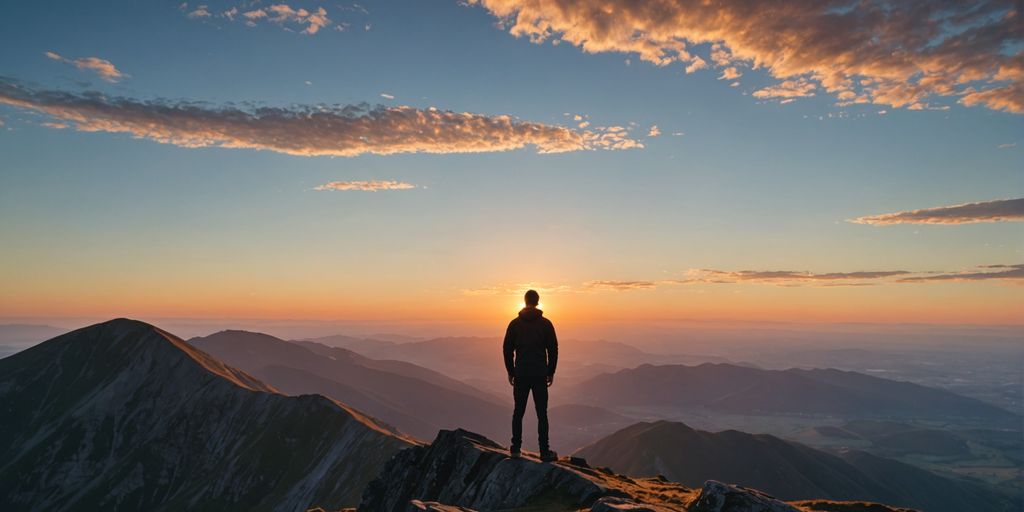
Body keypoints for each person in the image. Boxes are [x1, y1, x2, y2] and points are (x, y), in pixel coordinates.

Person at [503, 289, 558, 462]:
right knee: (542, 413)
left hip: (521, 374)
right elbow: (553, 349)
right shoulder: (546, 324)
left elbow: (507, 349)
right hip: (540, 374)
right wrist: (551, 371)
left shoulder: (514, 324)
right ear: (538, 301)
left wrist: (511, 371)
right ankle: (544, 451)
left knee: (518, 412)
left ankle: (515, 449)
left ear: (524, 301)